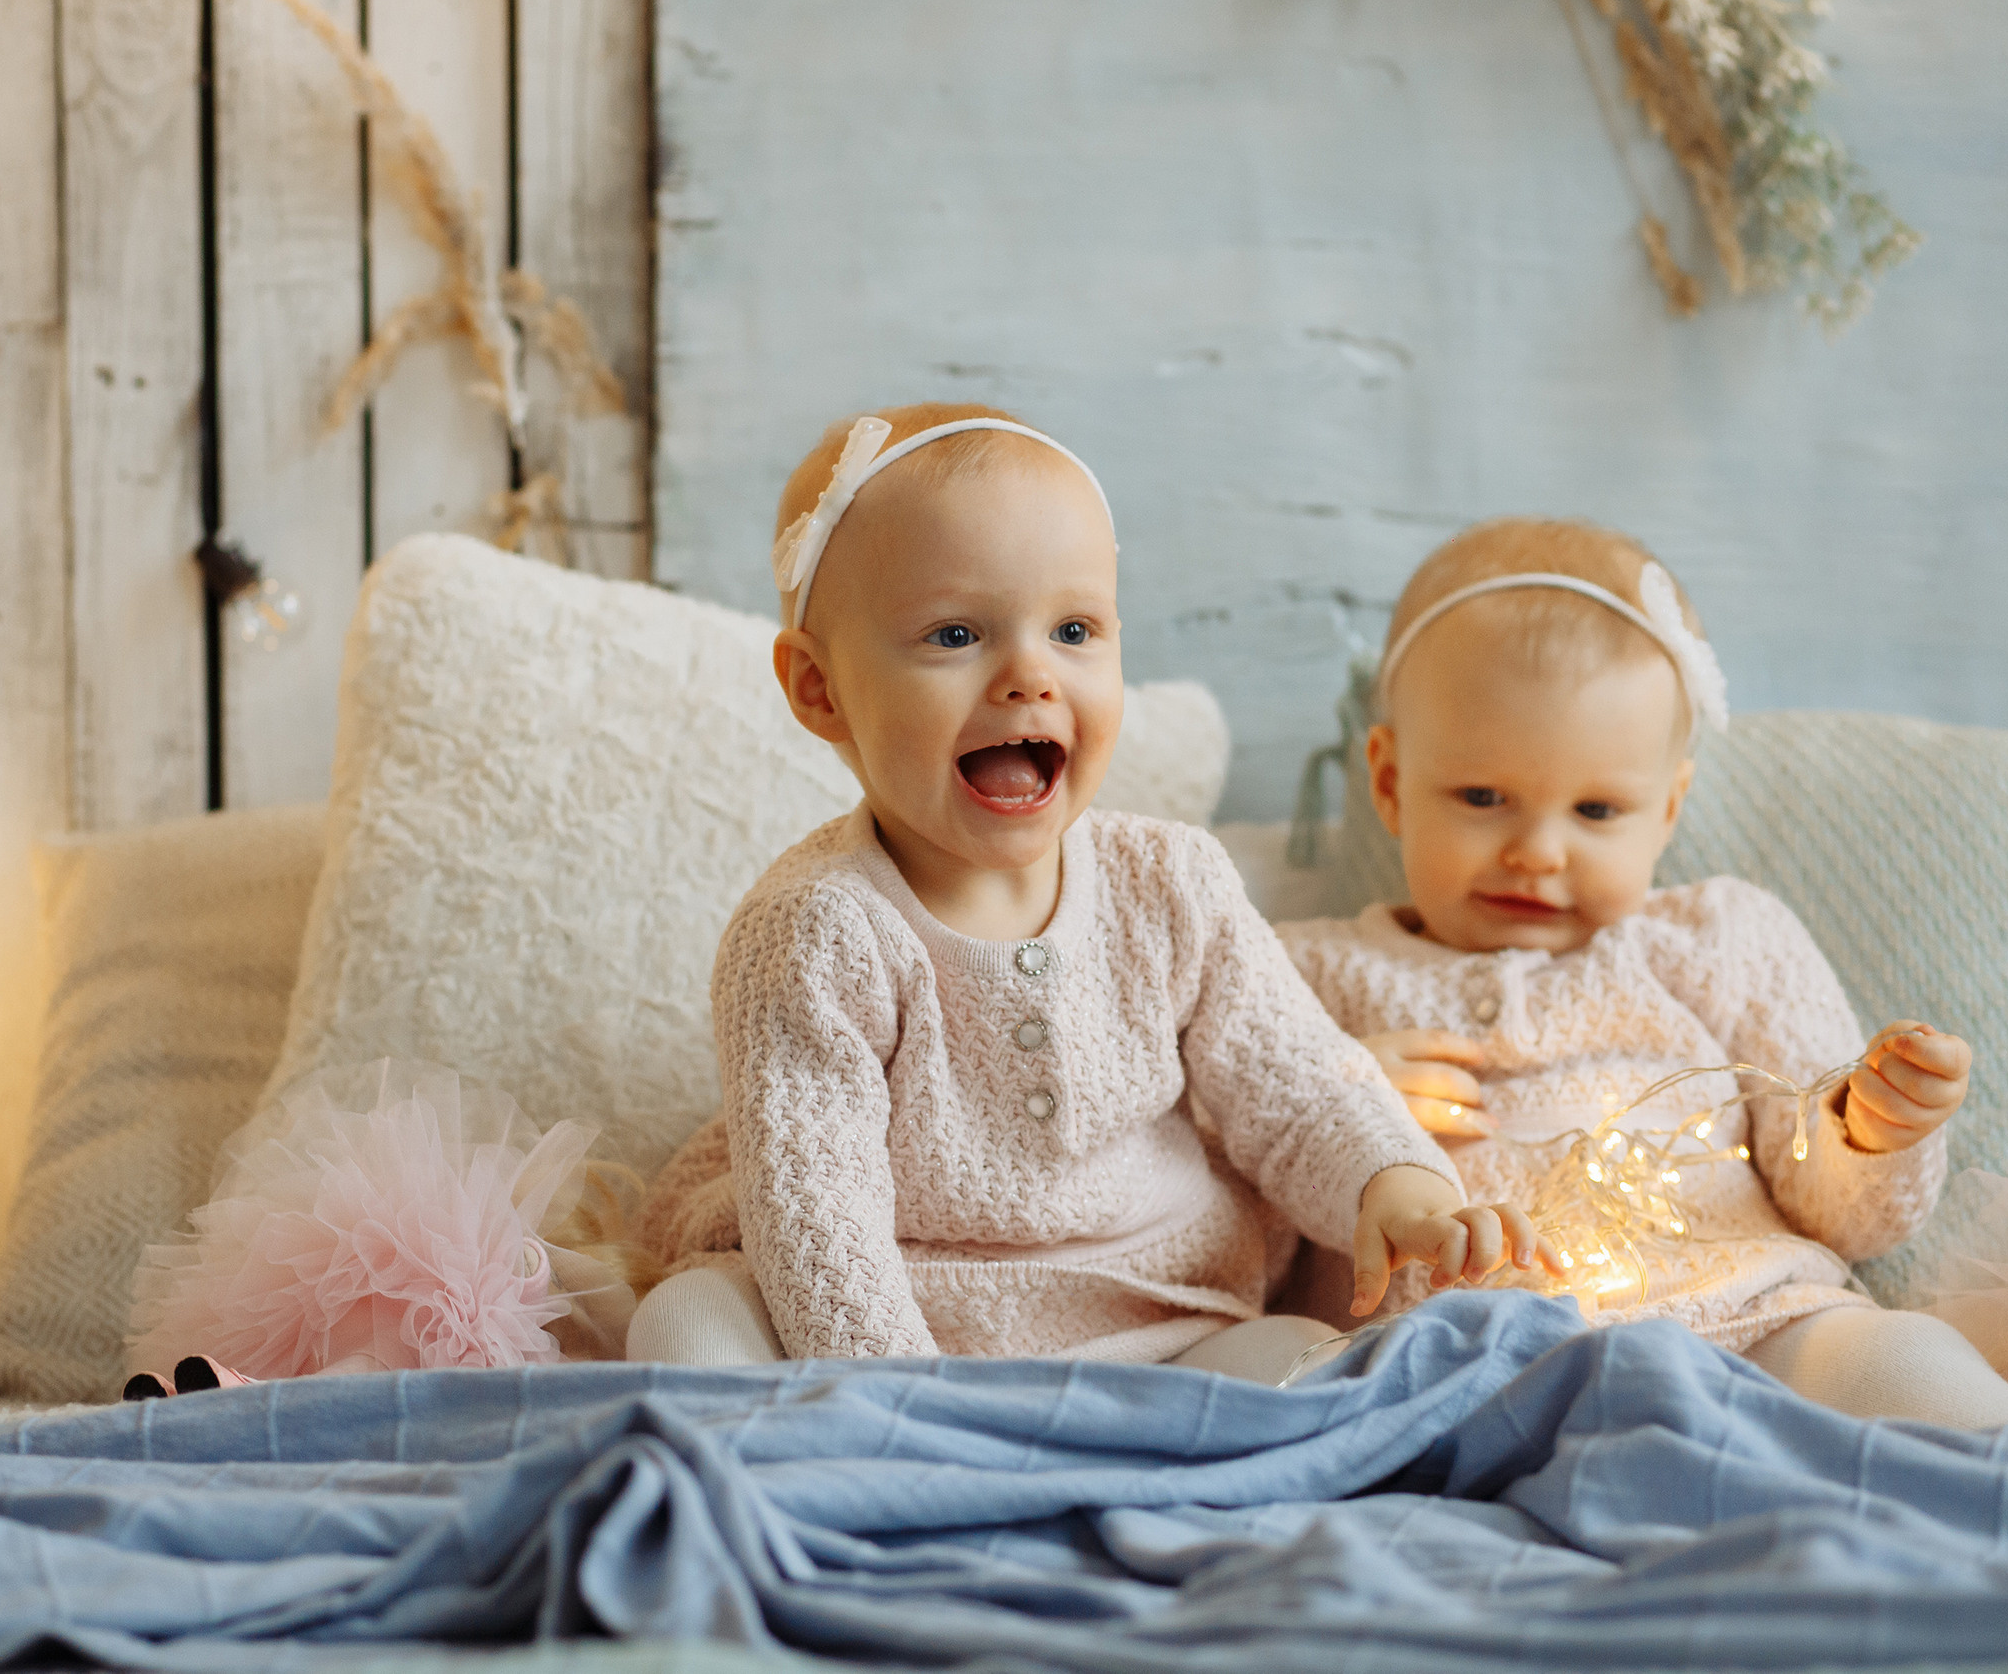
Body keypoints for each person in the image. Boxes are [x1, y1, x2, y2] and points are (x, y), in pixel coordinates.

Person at [627, 403, 1556, 1382]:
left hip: (1152, 1316)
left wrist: (1399, 1189)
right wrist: (904, 1406)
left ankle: (1147, 1453)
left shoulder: (1171, 885)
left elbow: (1295, 1084)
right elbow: (819, 1228)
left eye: (1073, 629)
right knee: (689, 1321)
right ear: (819, 690)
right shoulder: (813, 931)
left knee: (1304, 1361)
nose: (1030, 674)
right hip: (890, 1332)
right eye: (954, 634)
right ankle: (919, 1476)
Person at [1277, 517, 2008, 1427]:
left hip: (1751, 1319)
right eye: (1483, 798)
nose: (1537, 851)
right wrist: (1330, 1103)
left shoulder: (1719, 937)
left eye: (1598, 808)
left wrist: (1869, 1130)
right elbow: (1214, 1213)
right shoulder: (1300, 976)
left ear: (1670, 806)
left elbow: (1848, 1217)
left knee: (1896, 1358)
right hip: (1462, 1374)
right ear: (1388, 781)